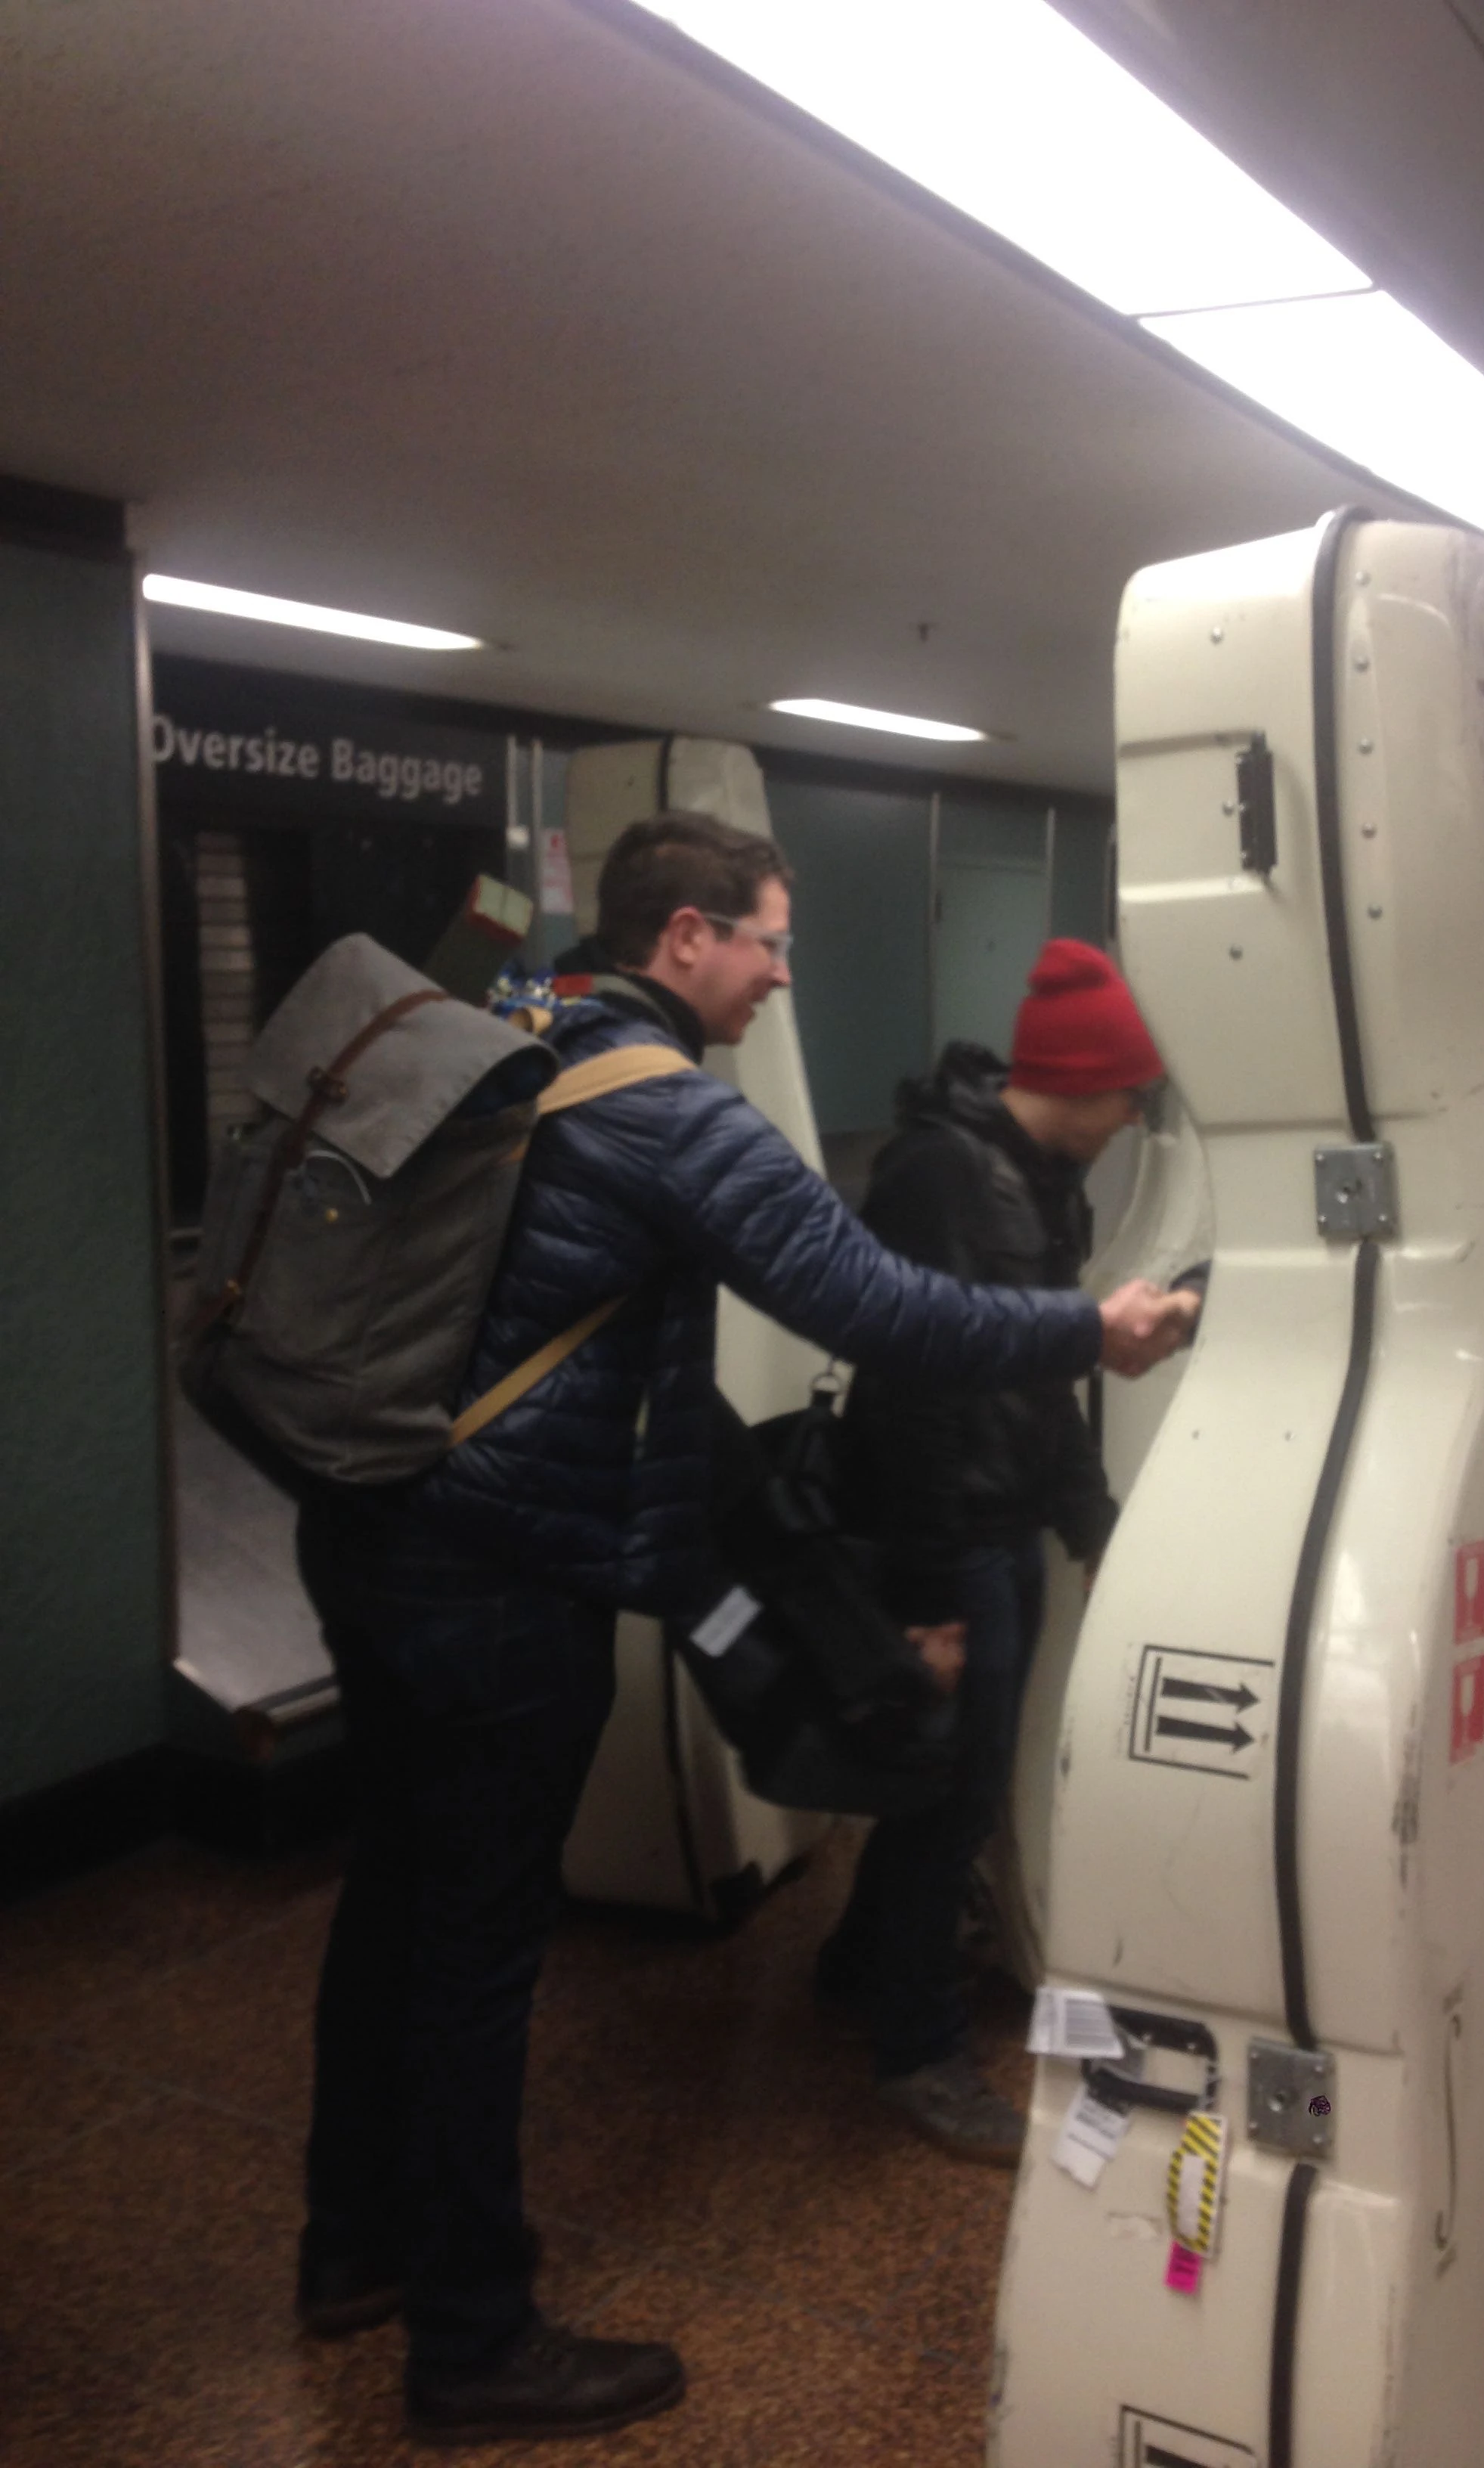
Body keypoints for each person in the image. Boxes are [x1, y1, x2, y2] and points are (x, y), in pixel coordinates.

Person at [293, 814, 1196, 2446]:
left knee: (399, 1905)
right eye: (770, 940)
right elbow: (869, 1302)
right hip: (498, 1579)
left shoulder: (519, 1025)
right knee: (479, 1956)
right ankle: (472, 2340)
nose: (785, 974)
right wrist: (1092, 1326)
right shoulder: (662, 1111)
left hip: (372, 1527)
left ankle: (351, 2248)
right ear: (687, 936)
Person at [820, 939, 1168, 2164]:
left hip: (1003, 1518)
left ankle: (860, 1965)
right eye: (1129, 1095)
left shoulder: (1040, 1180)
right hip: (947, 1535)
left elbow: (1041, 1369)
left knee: (946, 1785)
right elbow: (910, 1393)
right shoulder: (942, 1177)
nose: (1134, 1120)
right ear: (1079, 1083)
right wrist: (925, 1595)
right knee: (950, 1800)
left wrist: (1091, 1524)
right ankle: (919, 2055)